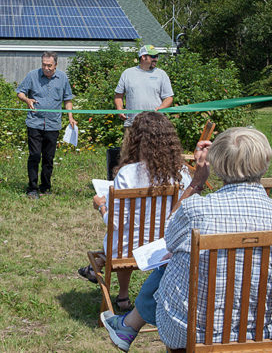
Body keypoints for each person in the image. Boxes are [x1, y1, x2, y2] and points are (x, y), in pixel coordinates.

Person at [101, 127, 272, 351]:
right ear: (265, 161)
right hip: (256, 331)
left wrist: (196, 183)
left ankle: (129, 324)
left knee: (171, 257)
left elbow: (168, 238)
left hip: (191, 331)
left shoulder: (197, 209)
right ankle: (128, 324)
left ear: (217, 163)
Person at [78, 112, 192, 311]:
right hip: (166, 245)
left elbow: (114, 223)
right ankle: (120, 292)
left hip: (126, 249)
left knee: (123, 237)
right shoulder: (182, 174)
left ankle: (121, 294)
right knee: (128, 235)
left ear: (136, 140)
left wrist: (101, 206)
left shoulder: (128, 174)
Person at [16, 51, 77, 199]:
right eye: (44, 65)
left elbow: (67, 99)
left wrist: (70, 117)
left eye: (49, 65)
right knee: (35, 155)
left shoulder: (62, 78)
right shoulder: (32, 75)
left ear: (55, 65)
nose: (46, 68)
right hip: (34, 122)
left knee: (49, 158)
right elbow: (20, 92)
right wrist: (27, 100)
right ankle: (32, 188)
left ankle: (45, 187)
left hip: (53, 124)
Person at [114, 45, 173, 127]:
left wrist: (161, 108)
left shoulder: (161, 74)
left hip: (155, 124)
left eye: (157, 56)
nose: (156, 59)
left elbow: (169, 97)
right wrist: (119, 110)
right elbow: (118, 96)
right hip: (132, 124)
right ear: (143, 57)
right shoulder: (127, 73)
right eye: (153, 56)